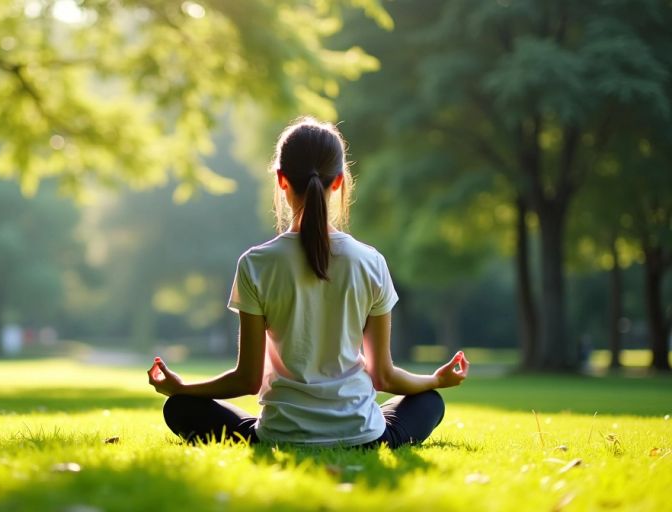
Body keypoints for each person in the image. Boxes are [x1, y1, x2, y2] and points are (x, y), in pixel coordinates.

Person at [147, 117, 470, 449]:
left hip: (279, 436)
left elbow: (247, 379)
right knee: (429, 400)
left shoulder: (256, 264)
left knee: (180, 408)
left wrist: (183, 389)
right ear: (340, 182)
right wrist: (436, 379)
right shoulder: (370, 261)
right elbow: (383, 376)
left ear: (282, 179)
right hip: (363, 436)